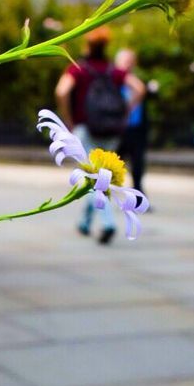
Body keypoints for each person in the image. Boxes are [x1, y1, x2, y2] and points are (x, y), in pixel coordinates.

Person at [54, 27, 144, 244]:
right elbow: (139, 88)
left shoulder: (77, 69)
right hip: (111, 130)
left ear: (87, 45)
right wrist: (126, 111)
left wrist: (68, 118)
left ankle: (108, 223)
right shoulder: (114, 71)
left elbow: (61, 91)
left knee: (94, 180)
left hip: (86, 128)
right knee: (98, 177)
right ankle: (85, 222)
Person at [115, 47, 148, 197]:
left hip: (135, 129)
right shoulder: (113, 80)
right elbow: (141, 90)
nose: (128, 65)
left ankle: (138, 196)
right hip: (116, 129)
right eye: (125, 61)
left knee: (138, 166)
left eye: (131, 61)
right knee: (112, 164)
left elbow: (141, 90)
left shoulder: (134, 80)